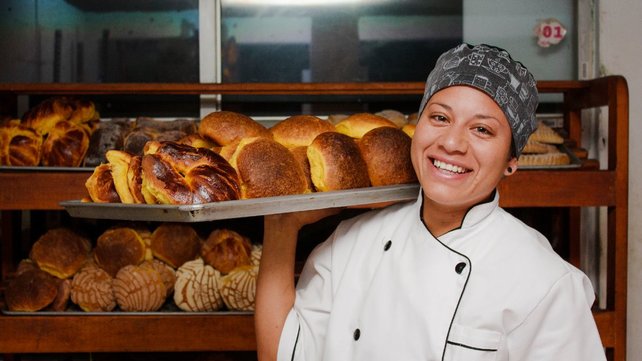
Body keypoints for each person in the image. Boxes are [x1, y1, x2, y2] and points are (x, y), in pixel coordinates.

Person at [255, 43, 606, 361]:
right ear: (418, 126)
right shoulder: (350, 245)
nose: (452, 143)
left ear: (512, 161)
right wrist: (282, 223)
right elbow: (285, 354)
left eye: (481, 129)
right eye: (439, 117)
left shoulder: (545, 282)